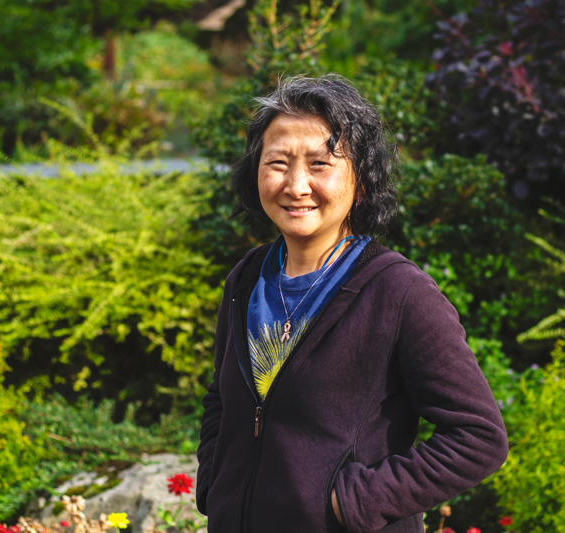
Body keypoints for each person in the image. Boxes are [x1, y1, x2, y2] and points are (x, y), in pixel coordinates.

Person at [196, 75, 508, 533]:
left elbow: (478, 437)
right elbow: (221, 399)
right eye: (278, 162)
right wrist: (214, 484)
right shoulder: (248, 278)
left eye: (320, 164)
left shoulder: (399, 293)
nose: (296, 184)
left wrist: (352, 503)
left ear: (360, 180)